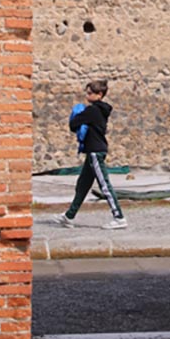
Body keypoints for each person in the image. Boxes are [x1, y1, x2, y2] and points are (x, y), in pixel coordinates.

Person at [57, 79, 127, 230]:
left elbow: (73, 124)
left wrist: (76, 114)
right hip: (92, 151)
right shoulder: (100, 110)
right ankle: (69, 216)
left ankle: (119, 217)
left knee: (104, 185)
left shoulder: (93, 110)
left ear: (99, 94)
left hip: (96, 151)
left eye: (90, 93)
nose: (87, 95)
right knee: (82, 185)